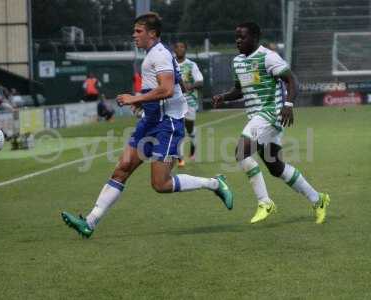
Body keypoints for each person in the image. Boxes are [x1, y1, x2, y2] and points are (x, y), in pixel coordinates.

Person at [61, 12, 234, 238]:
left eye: (138, 31)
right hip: (150, 121)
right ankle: (90, 223)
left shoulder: (159, 55)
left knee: (160, 184)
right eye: (134, 31)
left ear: (152, 34)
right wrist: (144, 104)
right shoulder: (156, 54)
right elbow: (175, 84)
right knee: (122, 168)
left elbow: (168, 89)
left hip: (167, 125)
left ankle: (214, 183)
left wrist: (136, 99)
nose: (134, 35)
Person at [213, 22, 330, 224]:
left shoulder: (268, 57)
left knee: (241, 152)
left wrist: (288, 104)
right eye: (236, 37)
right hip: (257, 118)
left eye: (243, 37)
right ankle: (318, 199)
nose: (238, 41)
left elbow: (292, 80)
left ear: (255, 38)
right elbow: (239, 90)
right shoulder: (238, 61)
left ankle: (265, 202)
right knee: (276, 167)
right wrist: (224, 97)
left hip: (270, 114)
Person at [173, 41, 204, 167]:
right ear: (174, 50)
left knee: (189, 128)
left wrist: (189, 86)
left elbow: (200, 81)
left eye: (182, 47)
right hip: (175, 102)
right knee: (178, 129)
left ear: (186, 49)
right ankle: (180, 158)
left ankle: (193, 141)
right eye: (177, 47)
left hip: (189, 101)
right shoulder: (170, 65)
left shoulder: (191, 65)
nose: (179, 49)